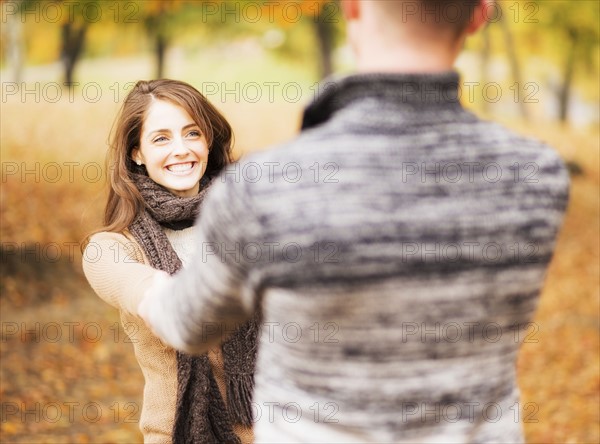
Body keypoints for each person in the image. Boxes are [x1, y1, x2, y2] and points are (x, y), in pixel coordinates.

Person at [138, 1, 570, 442]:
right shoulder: (535, 175)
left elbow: (188, 324)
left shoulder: (267, 186)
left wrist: (144, 285)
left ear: (352, 8)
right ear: (480, 14)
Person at [82, 79, 257, 443]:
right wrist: (165, 298)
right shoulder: (112, 247)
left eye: (192, 133)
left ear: (208, 141)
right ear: (137, 153)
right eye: (161, 138)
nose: (181, 149)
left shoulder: (254, 222)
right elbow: (137, 286)